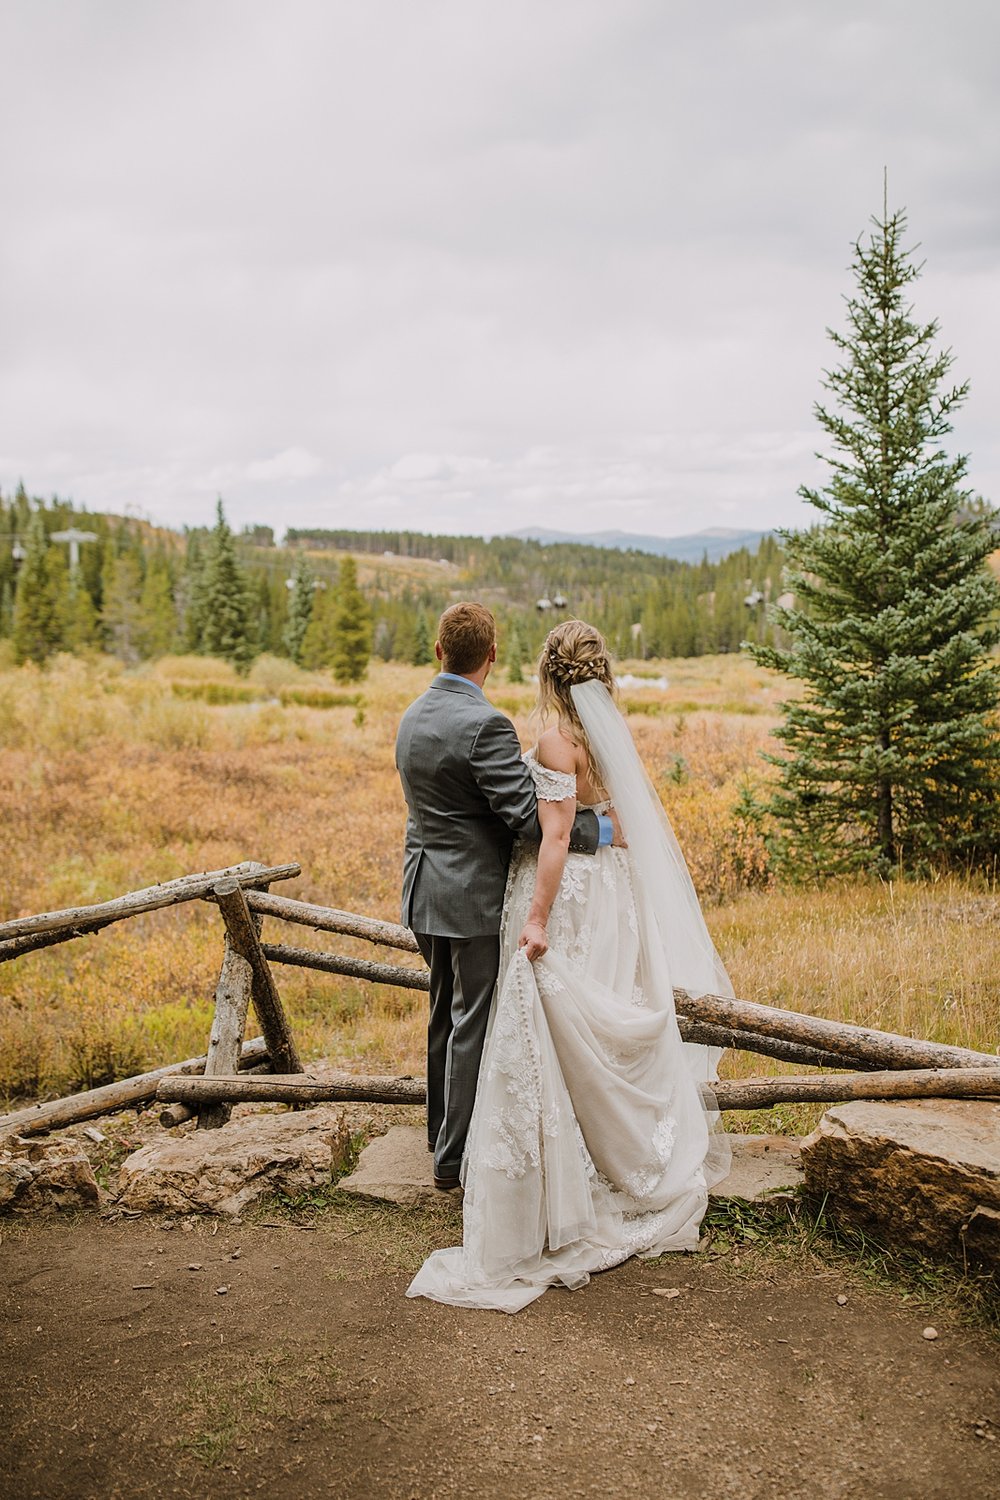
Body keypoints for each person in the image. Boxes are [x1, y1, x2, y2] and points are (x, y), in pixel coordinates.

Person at [407, 619, 734, 1312]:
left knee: (513, 1022)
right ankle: (484, 1152)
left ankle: (466, 1155)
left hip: (487, 890)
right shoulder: (603, 734)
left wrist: (534, 917)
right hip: (606, 892)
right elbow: (565, 817)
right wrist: (604, 831)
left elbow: (544, 831)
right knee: (587, 1014)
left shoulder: (424, 718)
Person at [395, 603, 618, 1190]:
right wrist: (602, 831)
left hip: (420, 890)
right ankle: (455, 1158)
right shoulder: (486, 725)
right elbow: (528, 818)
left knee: (444, 1013)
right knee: (472, 1018)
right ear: (492, 655)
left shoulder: (412, 715)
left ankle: (439, 1135)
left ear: (439, 650)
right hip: (468, 896)